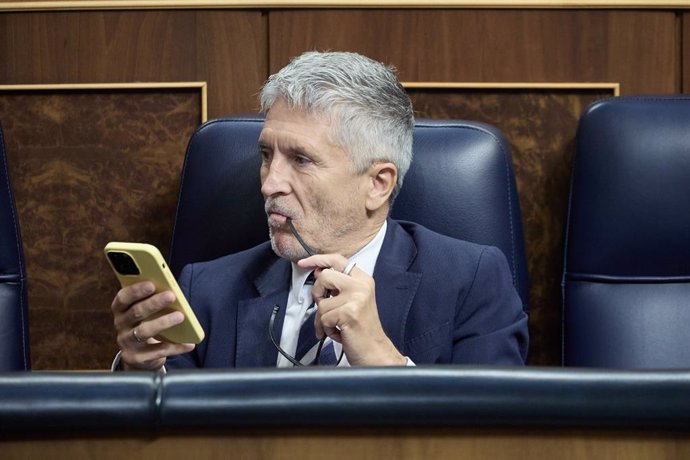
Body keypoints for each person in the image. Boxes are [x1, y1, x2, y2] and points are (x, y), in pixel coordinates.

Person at [110, 51, 528, 371]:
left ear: (377, 184)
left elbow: (495, 436)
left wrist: (384, 360)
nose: (269, 183)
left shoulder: (472, 282)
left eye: (301, 160)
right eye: (266, 155)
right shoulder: (205, 289)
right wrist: (137, 371)